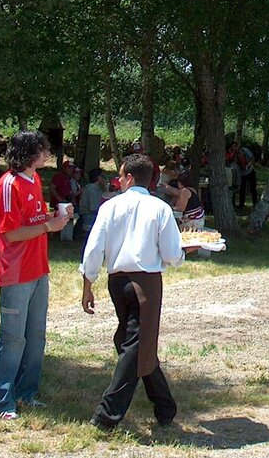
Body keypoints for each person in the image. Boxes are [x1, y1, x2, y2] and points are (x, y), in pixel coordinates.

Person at [81, 153, 190, 431]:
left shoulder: (110, 206)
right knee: (133, 346)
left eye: (119, 175)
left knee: (132, 342)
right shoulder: (159, 208)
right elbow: (170, 252)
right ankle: (107, 416)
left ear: (129, 177)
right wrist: (181, 256)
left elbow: (94, 247)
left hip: (117, 281)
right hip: (147, 284)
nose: (117, 180)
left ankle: (165, 406)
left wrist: (88, 282)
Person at [0, 130, 73, 420]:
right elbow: (11, 233)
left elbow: (36, 220)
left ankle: (27, 393)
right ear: (28, 153)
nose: (47, 153)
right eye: (42, 149)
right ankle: (4, 401)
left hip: (38, 269)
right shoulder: (9, 185)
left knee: (36, 336)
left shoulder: (35, 180)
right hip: (16, 273)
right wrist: (47, 227)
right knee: (13, 338)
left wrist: (56, 219)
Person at [79, 168, 107, 237]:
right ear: (99, 178)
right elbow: (94, 208)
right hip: (89, 216)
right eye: (102, 176)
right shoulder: (92, 189)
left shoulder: (97, 188)